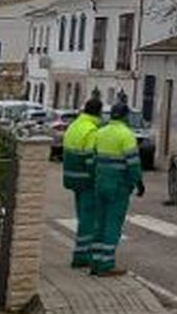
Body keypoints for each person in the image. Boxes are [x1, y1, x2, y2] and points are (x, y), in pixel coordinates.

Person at [91, 102, 145, 276]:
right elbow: (133, 164)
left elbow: (93, 158)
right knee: (113, 224)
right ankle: (107, 264)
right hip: (118, 186)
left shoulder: (100, 133)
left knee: (99, 222)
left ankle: (95, 261)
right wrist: (138, 182)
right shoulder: (126, 135)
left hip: (100, 183)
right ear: (125, 116)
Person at [60, 98, 104, 269]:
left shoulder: (75, 125)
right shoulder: (91, 130)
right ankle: (82, 255)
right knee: (88, 218)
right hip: (86, 179)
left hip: (72, 177)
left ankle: (82, 251)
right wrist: (97, 178)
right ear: (99, 112)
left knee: (81, 214)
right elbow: (91, 159)